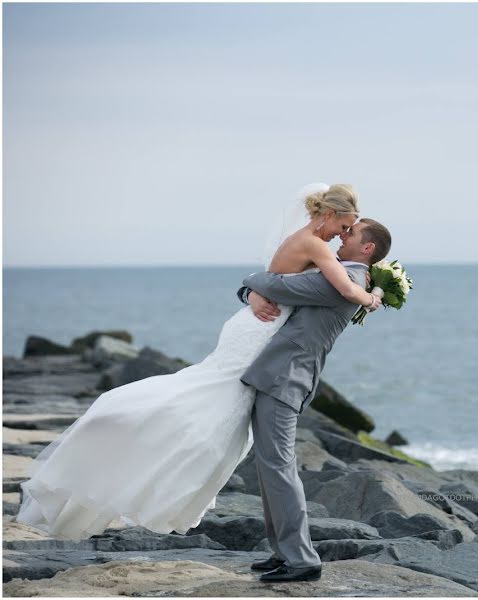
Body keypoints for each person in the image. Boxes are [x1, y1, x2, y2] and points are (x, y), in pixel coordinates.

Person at [16, 184, 386, 551]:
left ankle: (286, 551)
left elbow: (285, 282)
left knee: (212, 416)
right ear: (330, 215)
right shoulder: (324, 253)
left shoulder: (331, 259)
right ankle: (292, 553)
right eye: (345, 225)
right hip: (261, 343)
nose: (343, 235)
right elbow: (285, 283)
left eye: (350, 231)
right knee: (207, 409)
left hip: (266, 344)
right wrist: (371, 297)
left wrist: (259, 289)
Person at [236, 216, 391, 583]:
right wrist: (254, 293)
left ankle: (301, 558)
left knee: (279, 468)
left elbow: (275, 283)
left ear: (367, 249)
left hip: (285, 378)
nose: (341, 235)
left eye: (350, 233)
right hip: (283, 377)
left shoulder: (342, 281)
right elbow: (275, 289)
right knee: (271, 468)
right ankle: (283, 552)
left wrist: (251, 285)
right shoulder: (344, 278)